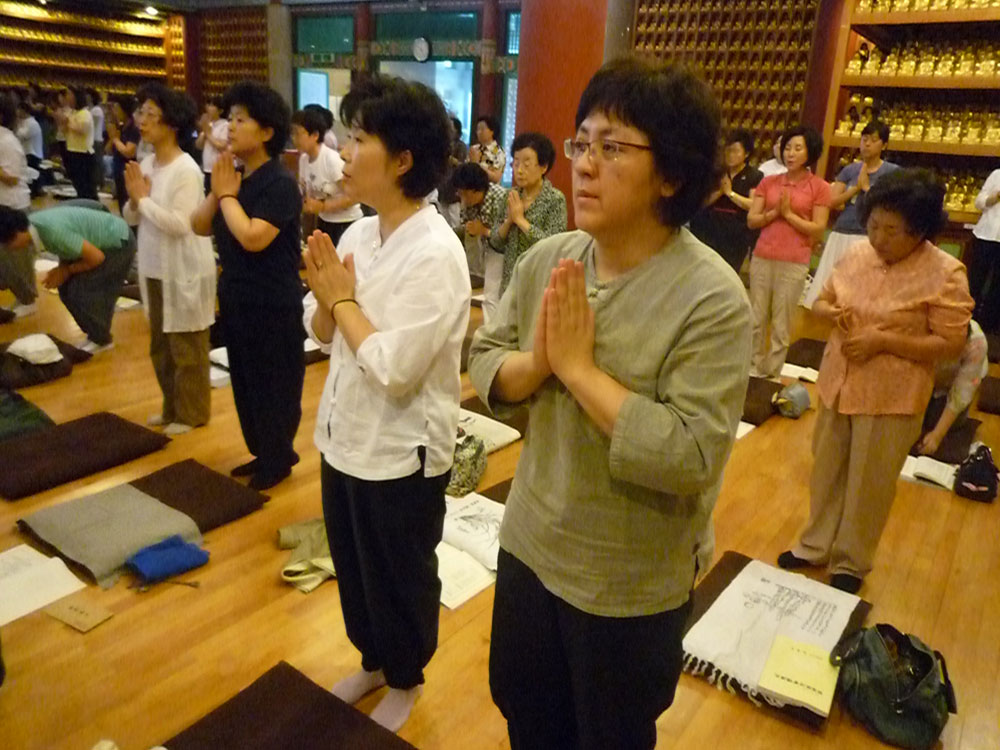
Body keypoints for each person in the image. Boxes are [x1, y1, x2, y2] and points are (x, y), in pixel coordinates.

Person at [469, 58, 752, 750]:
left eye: (613, 147)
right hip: (530, 544)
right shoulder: (550, 258)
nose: (585, 165)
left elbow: (691, 455)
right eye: (582, 142)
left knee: (611, 735)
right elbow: (485, 356)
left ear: (671, 174)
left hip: (625, 581)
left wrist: (577, 371)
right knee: (526, 713)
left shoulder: (712, 298)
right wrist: (538, 364)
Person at [301, 74, 470, 733]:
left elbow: (396, 370)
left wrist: (341, 301)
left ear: (402, 160)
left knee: (399, 574)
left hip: (401, 449)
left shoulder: (436, 253)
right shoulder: (357, 236)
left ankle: (405, 676)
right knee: (353, 566)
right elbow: (321, 330)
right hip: (342, 433)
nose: (344, 151)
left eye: (359, 138)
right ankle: (373, 661)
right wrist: (328, 303)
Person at [779, 169, 973, 593]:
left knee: (870, 484)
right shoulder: (856, 254)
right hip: (838, 382)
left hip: (891, 395)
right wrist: (829, 313)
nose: (878, 238)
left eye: (891, 231)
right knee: (826, 471)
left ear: (919, 232)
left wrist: (883, 340)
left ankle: (850, 563)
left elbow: (951, 343)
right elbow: (822, 300)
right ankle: (814, 545)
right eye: (873, 226)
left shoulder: (945, 273)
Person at [191, 81, 304, 491]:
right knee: (246, 381)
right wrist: (219, 191)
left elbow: (254, 237)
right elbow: (198, 225)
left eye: (241, 120)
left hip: (273, 302)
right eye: (230, 118)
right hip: (237, 297)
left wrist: (226, 196)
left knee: (275, 384)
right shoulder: (236, 179)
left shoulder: (280, 183)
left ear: (267, 131)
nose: (231, 127)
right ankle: (263, 451)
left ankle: (278, 459)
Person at [124, 83, 215, 435]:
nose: (142, 120)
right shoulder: (147, 163)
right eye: (141, 112)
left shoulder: (186, 169)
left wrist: (142, 200)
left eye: (150, 114)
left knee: (186, 347)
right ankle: (171, 408)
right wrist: (136, 201)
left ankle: (192, 414)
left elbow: (181, 224)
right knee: (161, 347)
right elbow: (132, 216)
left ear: (172, 123)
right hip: (153, 267)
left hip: (182, 268)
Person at [747, 125, 831, 378]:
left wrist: (789, 215)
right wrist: (774, 213)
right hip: (763, 254)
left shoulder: (819, 187)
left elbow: (818, 228)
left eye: (797, 148)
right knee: (756, 317)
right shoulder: (769, 182)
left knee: (782, 321)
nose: (790, 153)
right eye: (787, 148)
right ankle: (753, 367)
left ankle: (772, 372)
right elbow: (752, 220)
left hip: (794, 260)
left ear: (810, 152)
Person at [0, 202, 136, 352]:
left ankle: (101, 339)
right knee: (66, 290)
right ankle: (95, 335)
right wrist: (62, 269)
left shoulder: (51, 232)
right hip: (101, 242)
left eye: (5, 244)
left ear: (15, 235)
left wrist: (66, 270)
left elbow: (97, 257)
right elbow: (68, 249)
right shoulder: (35, 225)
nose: (7, 249)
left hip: (118, 243)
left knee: (81, 292)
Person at [803, 121, 900, 308]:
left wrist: (867, 188)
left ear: (884, 145)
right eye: (864, 139)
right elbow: (831, 201)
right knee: (831, 285)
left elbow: (891, 204)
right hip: (843, 229)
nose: (867, 144)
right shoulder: (850, 170)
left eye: (873, 140)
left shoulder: (892, 172)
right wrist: (855, 189)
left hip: (869, 234)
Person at [490, 131, 567, 296]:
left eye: (526, 164)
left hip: (538, 286)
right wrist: (509, 221)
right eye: (516, 163)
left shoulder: (555, 199)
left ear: (543, 167)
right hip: (509, 284)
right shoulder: (509, 196)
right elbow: (495, 242)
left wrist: (521, 221)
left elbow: (554, 247)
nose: (519, 170)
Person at [688, 128, 763, 272]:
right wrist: (720, 192)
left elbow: (753, 204)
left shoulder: (754, 175)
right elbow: (702, 202)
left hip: (736, 233)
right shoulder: (716, 172)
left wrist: (730, 193)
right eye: (728, 151)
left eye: (735, 151)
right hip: (710, 230)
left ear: (746, 154)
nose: (730, 155)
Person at [291, 107, 362, 246]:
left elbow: (354, 197)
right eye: (292, 133)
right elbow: (305, 191)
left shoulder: (331, 159)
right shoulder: (304, 159)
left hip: (346, 222)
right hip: (324, 221)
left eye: (298, 134)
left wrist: (322, 206)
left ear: (315, 135)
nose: (294, 139)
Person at [916, 319, 988, 456]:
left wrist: (936, 437)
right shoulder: (920, 331)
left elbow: (962, 393)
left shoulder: (977, 344)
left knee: (944, 424)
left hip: (953, 383)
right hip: (926, 381)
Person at [452, 162, 506, 322]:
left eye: (464, 193)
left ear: (476, 190)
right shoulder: (469, 203)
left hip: (506, 252)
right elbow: (466, 227)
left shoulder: (501, 198)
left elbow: (509, 236)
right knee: (491, 296)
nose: (461, 197)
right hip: (488, 251)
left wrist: (484, 230)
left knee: (496, 295)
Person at [0, 93, 34, 319]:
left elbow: (12, 178)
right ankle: (21, 295)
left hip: (14, 207)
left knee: (18, 260)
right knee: (6, 260)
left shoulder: (7, 141)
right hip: (4, 206)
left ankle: (28, 300)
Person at [966, 165, 1000, 333]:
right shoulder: (997, 175)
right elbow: (979, 202)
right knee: (976, 279)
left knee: (997, 285)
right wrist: (995, 197)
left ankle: (989, 325)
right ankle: (967, 317)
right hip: (985, 235)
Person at [107, 94, 139, 215]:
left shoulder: (133, 128)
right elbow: (108, 149)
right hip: (118, 168)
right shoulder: (121, 127)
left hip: (127, 169)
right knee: (121, 202)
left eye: (117, 109)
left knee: (127, 203)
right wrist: (112, 137)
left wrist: (115, 139)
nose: (115, 112)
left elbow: (129, 152)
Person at [64, 87, 96, 200]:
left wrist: (68, 122)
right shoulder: (72, 113)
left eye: (69, 94)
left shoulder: (85, 113)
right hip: (72, 150)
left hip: (83, 153)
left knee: (86, 185)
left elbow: (82, 129)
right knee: (77, 183)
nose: (67, 97)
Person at [196, 97, 228, 195]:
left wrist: (208, 134)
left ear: (220, 111)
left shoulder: (225, 125)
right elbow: (198, 145)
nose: (208, 108)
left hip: (219, 169)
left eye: (212, 105)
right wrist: (204, 131)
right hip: (207, 168)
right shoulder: (209, 125)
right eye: (208, 104)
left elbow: (222, 146)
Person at [14, 99, 43, 197]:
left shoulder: (32, 123)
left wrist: (16, 124)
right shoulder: (24, 122)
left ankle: (35, 192)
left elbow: (22, 135)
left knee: (32, 175)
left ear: (23, 111)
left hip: (33, 153)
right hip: (26, 152)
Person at [469, 114, 505, 183]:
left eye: (482, 129)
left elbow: (496, 178)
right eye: (477, 129)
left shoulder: (498, 151)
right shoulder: (474, 148)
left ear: (492, 131)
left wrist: (477, 165)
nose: (479, 132)